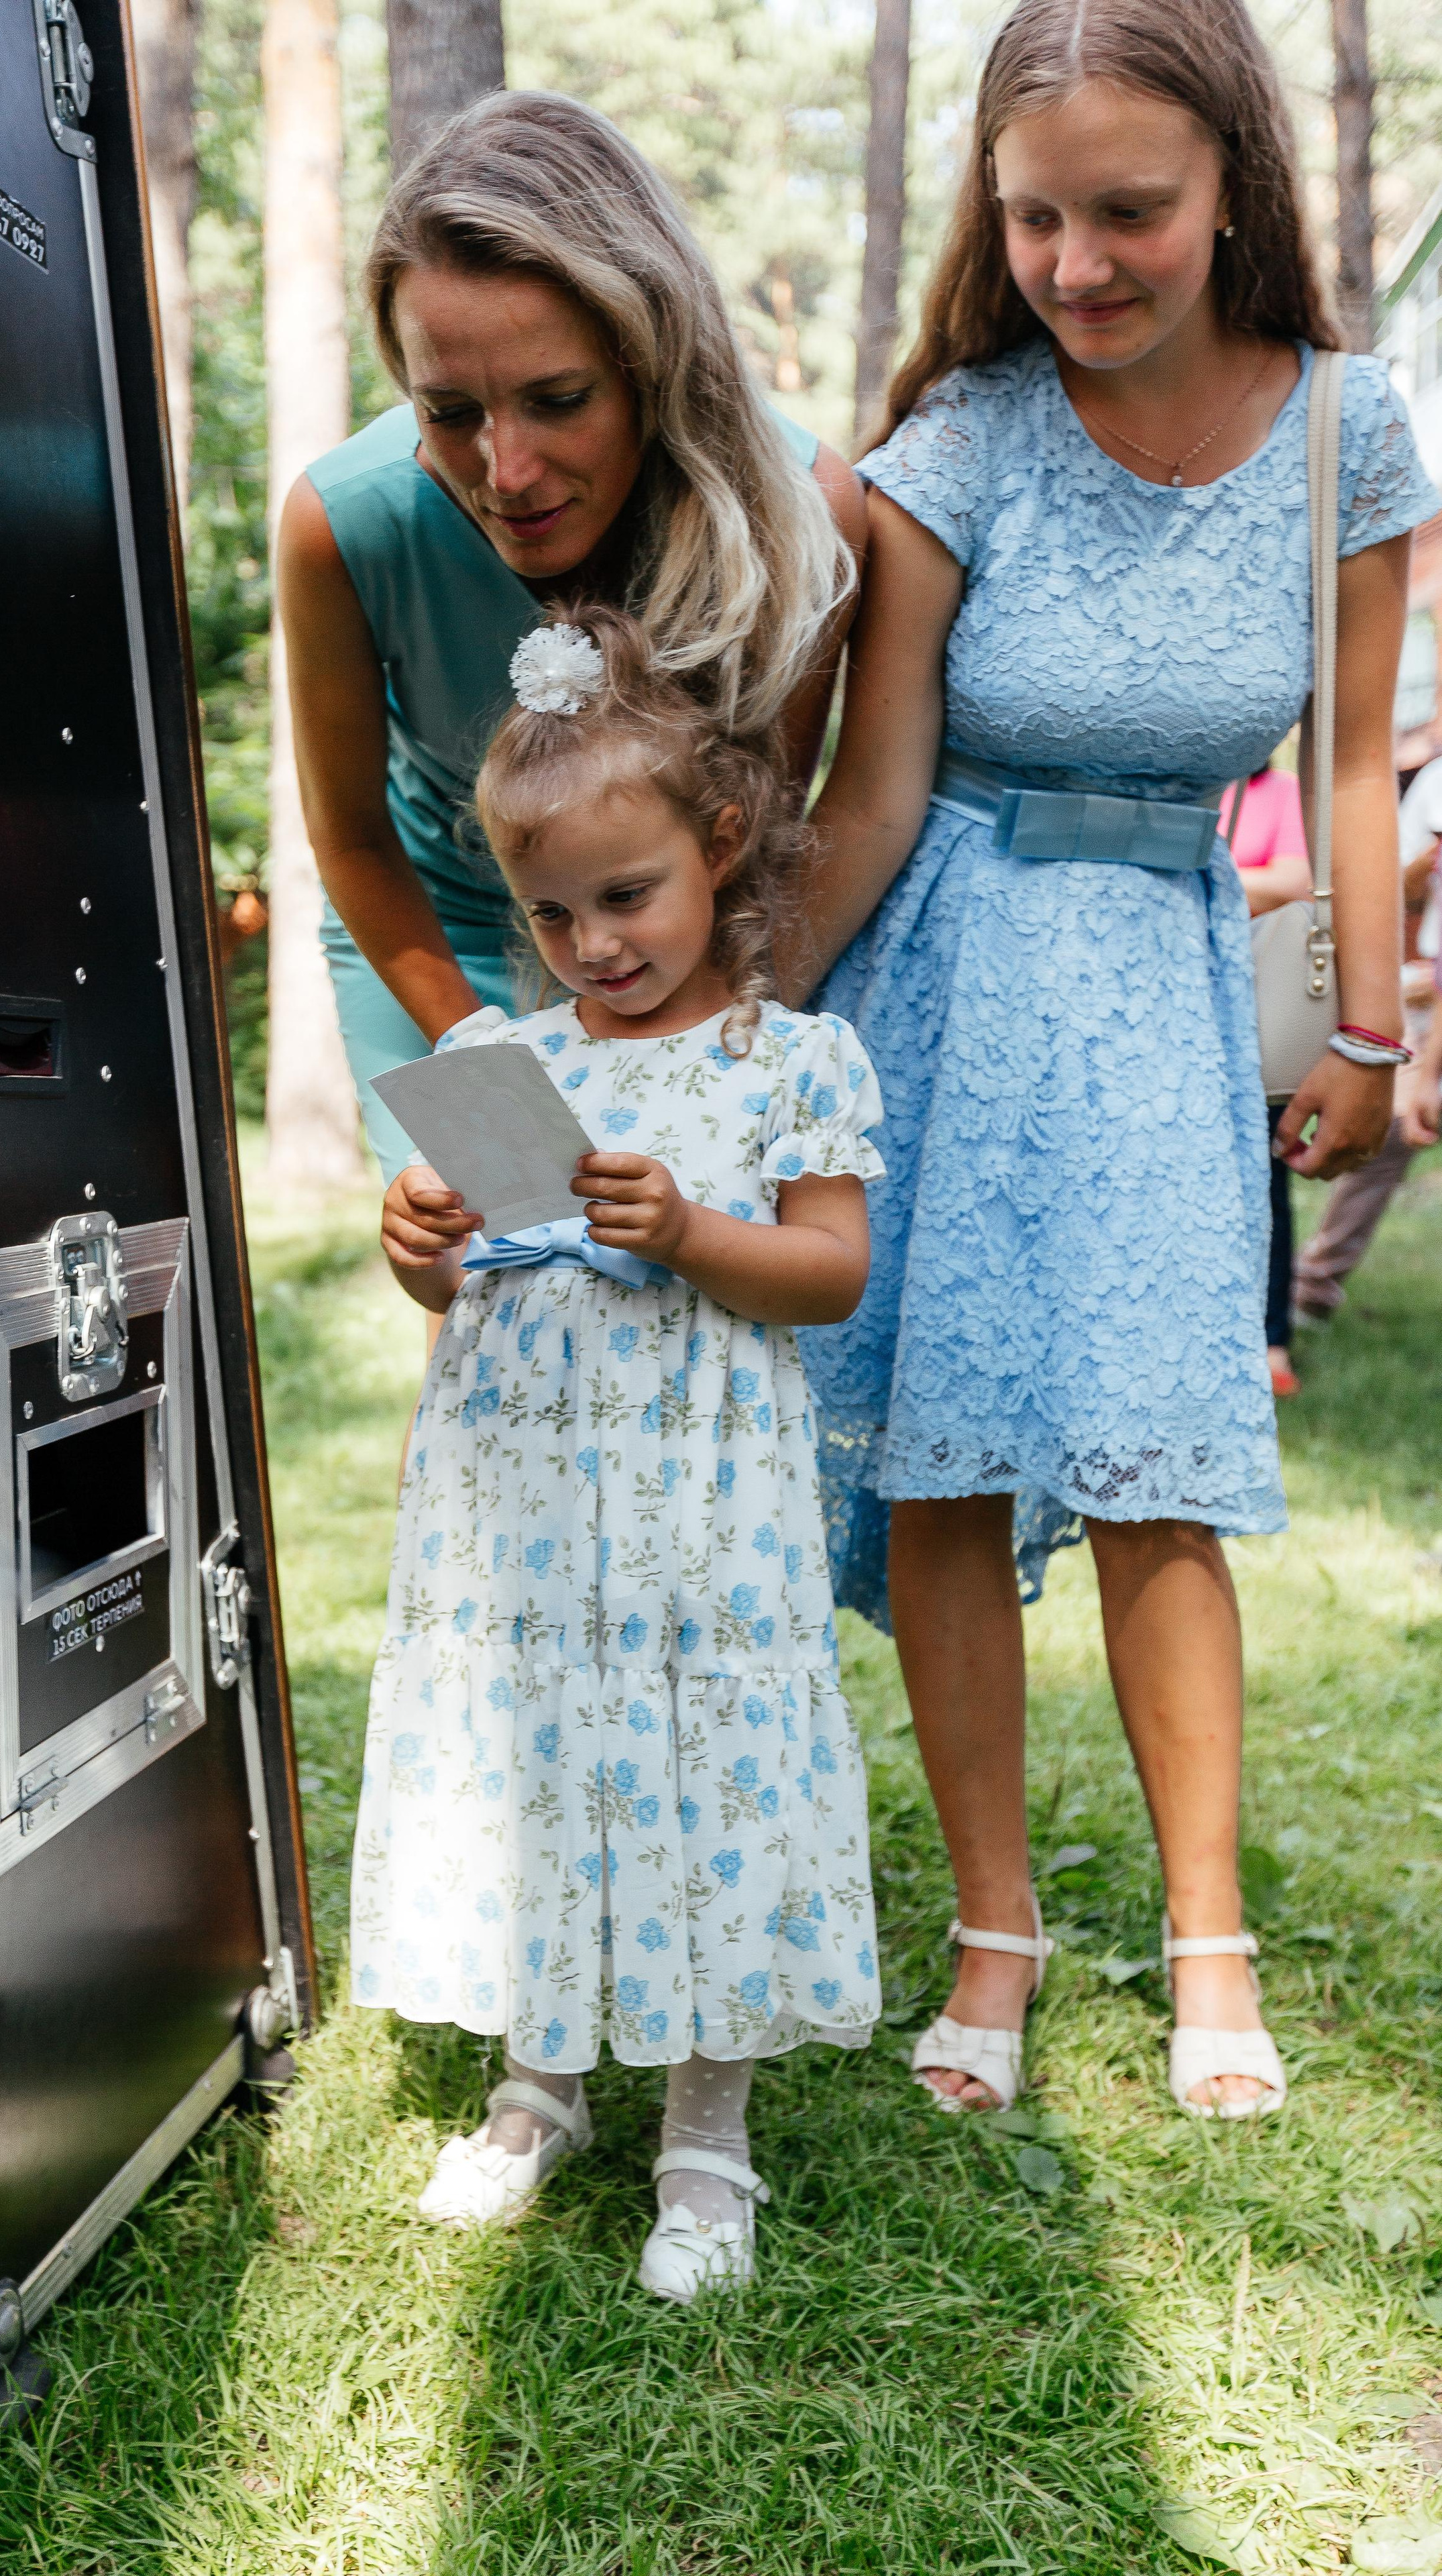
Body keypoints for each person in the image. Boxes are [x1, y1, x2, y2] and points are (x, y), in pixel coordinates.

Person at [794, 0, 1436, 2121]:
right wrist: (730, 1015)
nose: (1080, 261)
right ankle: (994, 1923)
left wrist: (1360, 1022)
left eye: (1130, 212)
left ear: (1232, 182)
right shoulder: (960, 436)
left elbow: (1351, 760)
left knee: (1168, 1461)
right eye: (1037, 216)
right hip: (947, 971)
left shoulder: (1352, 425)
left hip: (1168, 975)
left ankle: (1206, 1931)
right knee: (952, 1461)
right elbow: (873, 790)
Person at [350, 612, 887, 2302]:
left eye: (625, 894)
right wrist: (415, 1234)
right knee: (546, 1760)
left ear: (715, 847)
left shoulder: (785, 1060)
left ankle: (704, 2128)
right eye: (551, 911)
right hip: (527, 1516)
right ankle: (539, 2083)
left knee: (696, 1770)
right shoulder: (503, 1066)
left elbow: (829, 1270)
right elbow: (447, 1280)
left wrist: (690, 1229)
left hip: (696, 1516)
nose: (591, 942)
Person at [276, 91, 863, 1179]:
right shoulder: (342, 527)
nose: (506, 472)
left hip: (682, 955)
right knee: (506, 1265)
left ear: (651, 357)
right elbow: (354, 840)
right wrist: (490, 1082)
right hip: (441, 954)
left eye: (556, 399)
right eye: (448, 413)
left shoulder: (806, 511)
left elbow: (763, 845)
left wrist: (678, 1066)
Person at [1292, 757, 1442, 1320]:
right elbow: (1395, 892)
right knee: (1390, 1136)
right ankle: (1313, 1286)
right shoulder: (1434, 784)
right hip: (1428, 988)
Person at [1219, 766, 1311, 1394]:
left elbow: (1296, 881)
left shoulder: (1276, 793)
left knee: (1265, 1172)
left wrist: (1192, 871)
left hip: (1253, 1008)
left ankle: (1272, 1339)